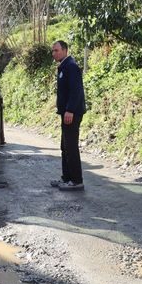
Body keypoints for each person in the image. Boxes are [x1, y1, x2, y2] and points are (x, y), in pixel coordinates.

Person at [50, 40, 86, 191]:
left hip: (72, 113)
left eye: (57, 50)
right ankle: (67, 178)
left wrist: (70, 110)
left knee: (70, 146)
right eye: (53, 51)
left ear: (64, 50)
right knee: (64, 146)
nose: (54, 53)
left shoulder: (71, 66)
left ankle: (77, 181)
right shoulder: (64, 66)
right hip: (66, 113)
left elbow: (76, 90)